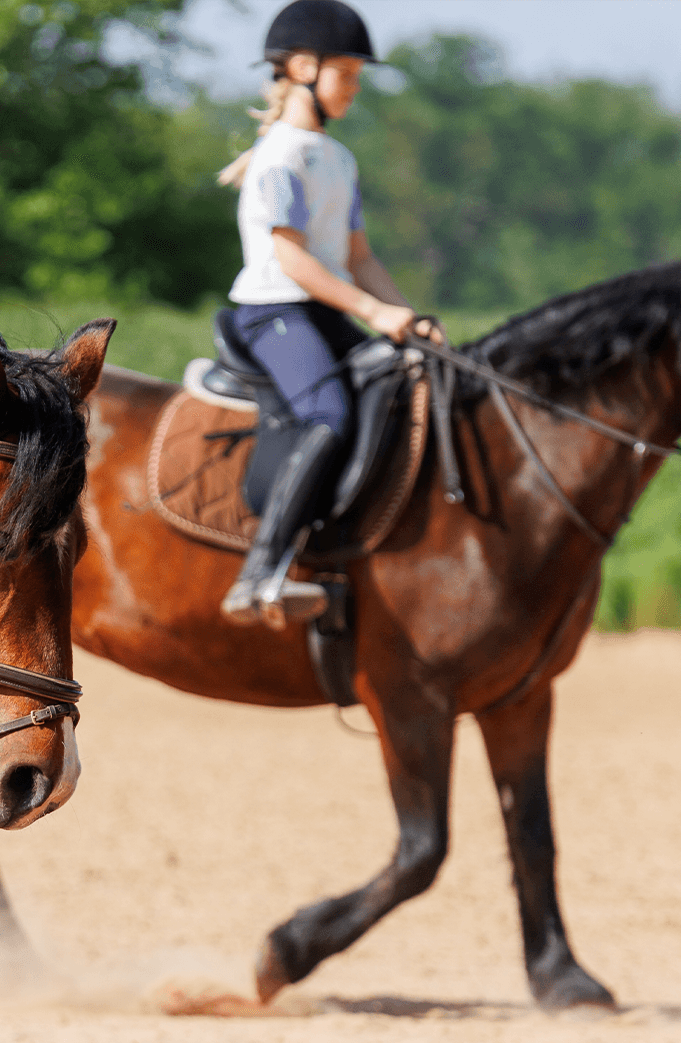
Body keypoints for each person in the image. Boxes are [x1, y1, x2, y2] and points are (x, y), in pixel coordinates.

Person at [214, 0, 442, 630]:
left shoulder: (339, 159)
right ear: (305, 68)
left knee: (410, 382)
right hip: (275, 313)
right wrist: (372, 310)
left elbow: (359, 258)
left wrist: (406, 317)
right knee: (329, 414)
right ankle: (260, 571)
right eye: (349, 74)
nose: (356, 87)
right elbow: (291, 259)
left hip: (329, 308)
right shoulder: (280, 157)